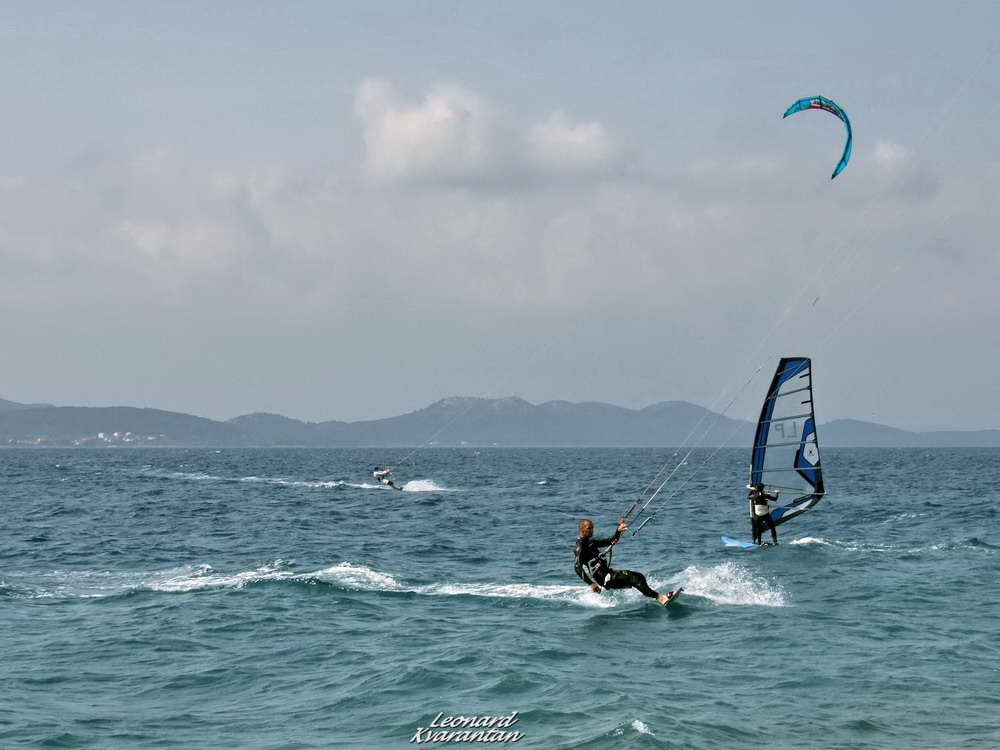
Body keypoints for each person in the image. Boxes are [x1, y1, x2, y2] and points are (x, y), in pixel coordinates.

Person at [574, 519, 678, 605]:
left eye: (592, 528)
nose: (591, 530)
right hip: (604, 578)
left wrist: (618, 531)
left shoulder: (590, 542)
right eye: (589, 528)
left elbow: (611, 540)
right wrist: (591, 584)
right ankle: (661, 598)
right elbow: (577, 568)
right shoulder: (581, 547)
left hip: (608, 572)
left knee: (639, 576)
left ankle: (655, 597)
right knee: (635, 579)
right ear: (581, 529)